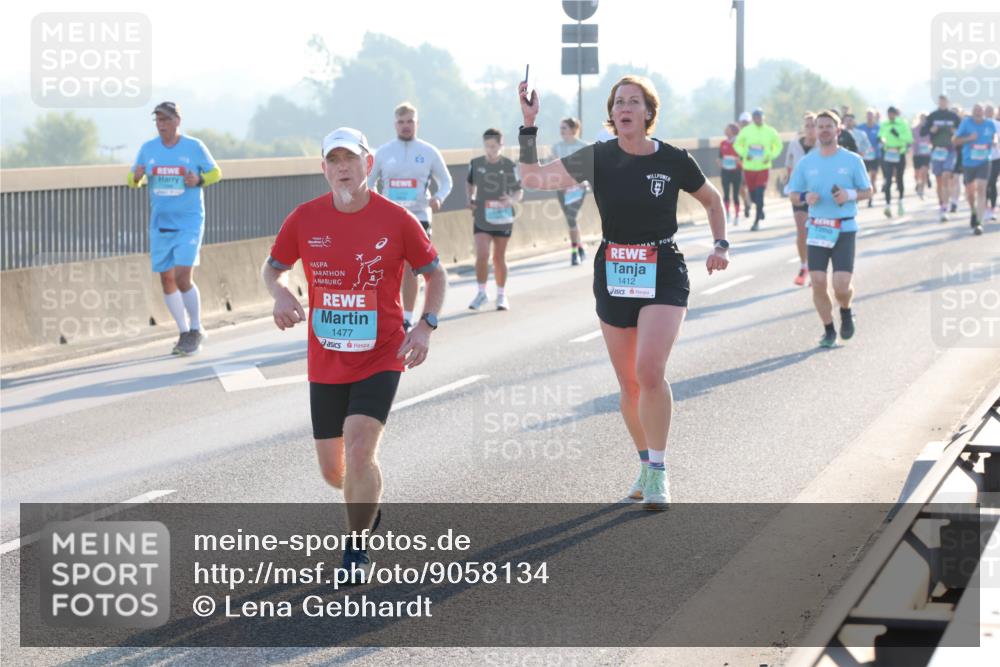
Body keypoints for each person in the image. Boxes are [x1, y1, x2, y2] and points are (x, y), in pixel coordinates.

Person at [515, 75, 730, 510]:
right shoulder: (597, 157)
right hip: (615, 269)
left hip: (663, 267)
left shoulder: (672, 159)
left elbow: (712, 200)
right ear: (611, 115)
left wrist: (720, 244)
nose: (625, 108)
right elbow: (533, 179)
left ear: (649, 113)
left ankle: (660, 472)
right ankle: (645, 463)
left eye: (634, 102)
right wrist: (528, 125)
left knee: (650, 371)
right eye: (618, 103)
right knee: (630, 385)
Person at [262, 127, 447, 578]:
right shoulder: (304, 218)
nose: (343, 167)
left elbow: (435, 274)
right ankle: (367, 504)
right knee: (334, 470)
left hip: (382, 352)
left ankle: (357, 546)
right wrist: (281, 294)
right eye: (334, 160)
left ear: (368, 165)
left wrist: (424, 326)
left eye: (351, 159)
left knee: (360, 445)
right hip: (326, 356)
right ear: (323, 168)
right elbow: (274, 268)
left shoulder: (397, 218)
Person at [128, 101, 222, 356]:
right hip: (160, 224)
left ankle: (196, 327)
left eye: (166, 120)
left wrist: (199, 179)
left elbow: (216, 173)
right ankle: (183, 332)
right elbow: (132, 180)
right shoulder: (148, 149)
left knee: (182, 276)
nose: (161, 125)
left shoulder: (194, 146)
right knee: (166, 279)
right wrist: (136, 177)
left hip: (189, 222)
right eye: (158, 121)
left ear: (177, 121)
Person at [788, 111, 873, 348]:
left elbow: (868, 191)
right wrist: (806, 196)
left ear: (838, 130)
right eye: (820, 126)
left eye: (828, 126)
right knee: (817, 281)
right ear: (814, 131)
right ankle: (828, 330)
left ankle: (845, 309)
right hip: (817, 228)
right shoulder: (806, 163)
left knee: (841, 285)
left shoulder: (853, 160)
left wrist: (849, 195)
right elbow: (793, 195)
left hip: (844, 226)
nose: (824, 130)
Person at [369, 102, 453, 332]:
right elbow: (368, 183)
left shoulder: (428, 152)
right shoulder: (383, 153)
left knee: (409, 267)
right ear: (394, 124)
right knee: (383, 267)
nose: (406, 126)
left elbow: (446, 181)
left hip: (418, 216)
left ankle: (406, 317)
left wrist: (439, 197)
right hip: (389, 217)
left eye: (410, 122)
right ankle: (385, 313)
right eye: (401, 122)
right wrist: (376, 205)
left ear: (417, 124)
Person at [466, 128, 523, 311]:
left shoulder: (509, 165)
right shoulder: (475, 163)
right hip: (482, 215)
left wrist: (511, 200)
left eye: (493, 146)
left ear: (501, 145)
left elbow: (518, 190)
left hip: (503, 216)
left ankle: (501, 294)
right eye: (487, 146)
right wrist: (471, 198)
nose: (490, 150)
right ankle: (481, 293)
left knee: (499, 257)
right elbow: (469, 183)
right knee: (482, 254)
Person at [549, 117, 590, 265]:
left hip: (578, 188)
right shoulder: (556, 148)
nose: (561, 131)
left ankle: (574, 253)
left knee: (572, 217)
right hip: (563, 189)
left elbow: (588, 168)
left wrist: (579, 181)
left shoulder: (584, 146)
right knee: (571, 220)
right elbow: (553, 168)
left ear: (573, 130)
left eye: (564, 128)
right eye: (560, 128)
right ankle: (580, 248)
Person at [733, 107, 783, 230]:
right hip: (749, 167)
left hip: (763, 167)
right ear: (753, 118)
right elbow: (737, 145)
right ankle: (760, 209)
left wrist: (770, 156)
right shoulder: (746, 131)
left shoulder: (771, 131)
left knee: (760, 193)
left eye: (759, 116)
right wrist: (745, 154)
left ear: (763, 117)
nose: (757, 119)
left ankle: (756, 222)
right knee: (753, 195)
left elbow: (778, 146)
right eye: (755, 117)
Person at [953, 103, 998, 235]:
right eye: (975, 111)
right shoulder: (966, 123)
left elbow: (994, 135)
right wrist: (969, 138)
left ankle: (979, 222)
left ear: (984, 112)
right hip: (968, 162)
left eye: (980, 111)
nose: (978, 113)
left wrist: (994, 140)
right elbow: (955, 140)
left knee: (982, 188)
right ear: (972, 112)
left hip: (984, 161)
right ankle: (973, 210)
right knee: (970, 192)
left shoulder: (990, 124)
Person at [784, 112, 817, 286]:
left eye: (813, 125)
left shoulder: (822, 145)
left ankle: (816, 267)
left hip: (817, 195)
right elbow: (789, 165)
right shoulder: (795, 144)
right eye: (807, 125)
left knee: (814, 232)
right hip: (799, 193)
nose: (810, 129)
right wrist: (788, 181)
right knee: (801, 230)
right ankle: (804, 265)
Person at [922, 95, 962, 222]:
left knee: (946, 176)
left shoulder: (953, 116)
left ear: (947, 102)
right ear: (938, 102)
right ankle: (942, 205)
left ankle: (945, 208)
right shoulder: (933, 116)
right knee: (939, 181)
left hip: (950, 150)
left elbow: (962, 131)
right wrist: (931, 130)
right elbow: (923, 132)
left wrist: (955, 131)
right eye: (941, 101)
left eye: (945, 100)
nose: (943, 103)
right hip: (936, 150)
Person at [877, 106, 912, 218]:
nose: (890, 116)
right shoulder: (884, 124)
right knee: (887, 179)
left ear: (895, 114)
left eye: (892, 114)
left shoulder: (902, 124)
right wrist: (882, 140)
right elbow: (880, 135)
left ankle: (900, 202)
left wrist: (898, 135)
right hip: (888, 153)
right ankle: (887, 205)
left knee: (899, 178)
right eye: (889, 114)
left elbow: (909, 139)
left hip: (899, 153)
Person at [717, 122, 743, 225]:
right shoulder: (723, 143)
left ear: (733, 131)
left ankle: (737, 216)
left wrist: (738, 160)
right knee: (726, 193)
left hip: (736, 171)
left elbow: (743, 158)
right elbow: (719, 157)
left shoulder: (739, 144)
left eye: (727, 129)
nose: (725, 131)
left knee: (736, 194)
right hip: (725, 171)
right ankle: (727, 214)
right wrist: (719, 161)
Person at [858, 109, 881, 208]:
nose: (869, 117)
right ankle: (861, 196)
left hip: (875, 155)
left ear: (874, 116)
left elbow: (882, 138)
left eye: (871, 115)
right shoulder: (861, 127)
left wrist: (881, 142)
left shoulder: (878, 127)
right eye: (868, 115)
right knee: (864, 177)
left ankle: (871, 199)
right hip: (864, 156)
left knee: (873, 177)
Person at [911, 113, 932, 200]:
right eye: (922, 118)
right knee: (917, 174)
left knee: (924, 172)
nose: (923, 120)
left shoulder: (929, 130)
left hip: (926, 154)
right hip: (917, 154)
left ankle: (921, 190)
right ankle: (918, 183)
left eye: (925, 119)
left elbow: (932, 140)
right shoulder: (914, 129)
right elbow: (911, 141)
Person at [986, 103, 1000, 222]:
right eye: (987, 111)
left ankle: (993, 208)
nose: (989, 113)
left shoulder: (997, 125)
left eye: (991, 111)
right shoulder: (981, 125)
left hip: (997, 158)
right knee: (987, 184)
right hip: (984, 159)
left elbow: (996, 137)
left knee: (993, 183)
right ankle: (986, 208)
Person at [737, 111, 753, 217]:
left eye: (746, 122)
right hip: (740, 164)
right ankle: (747, 203)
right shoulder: (737, 136)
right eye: (743, 122)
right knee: (740, 187)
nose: (744, 124)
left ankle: (751, 202)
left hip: (753, 164)